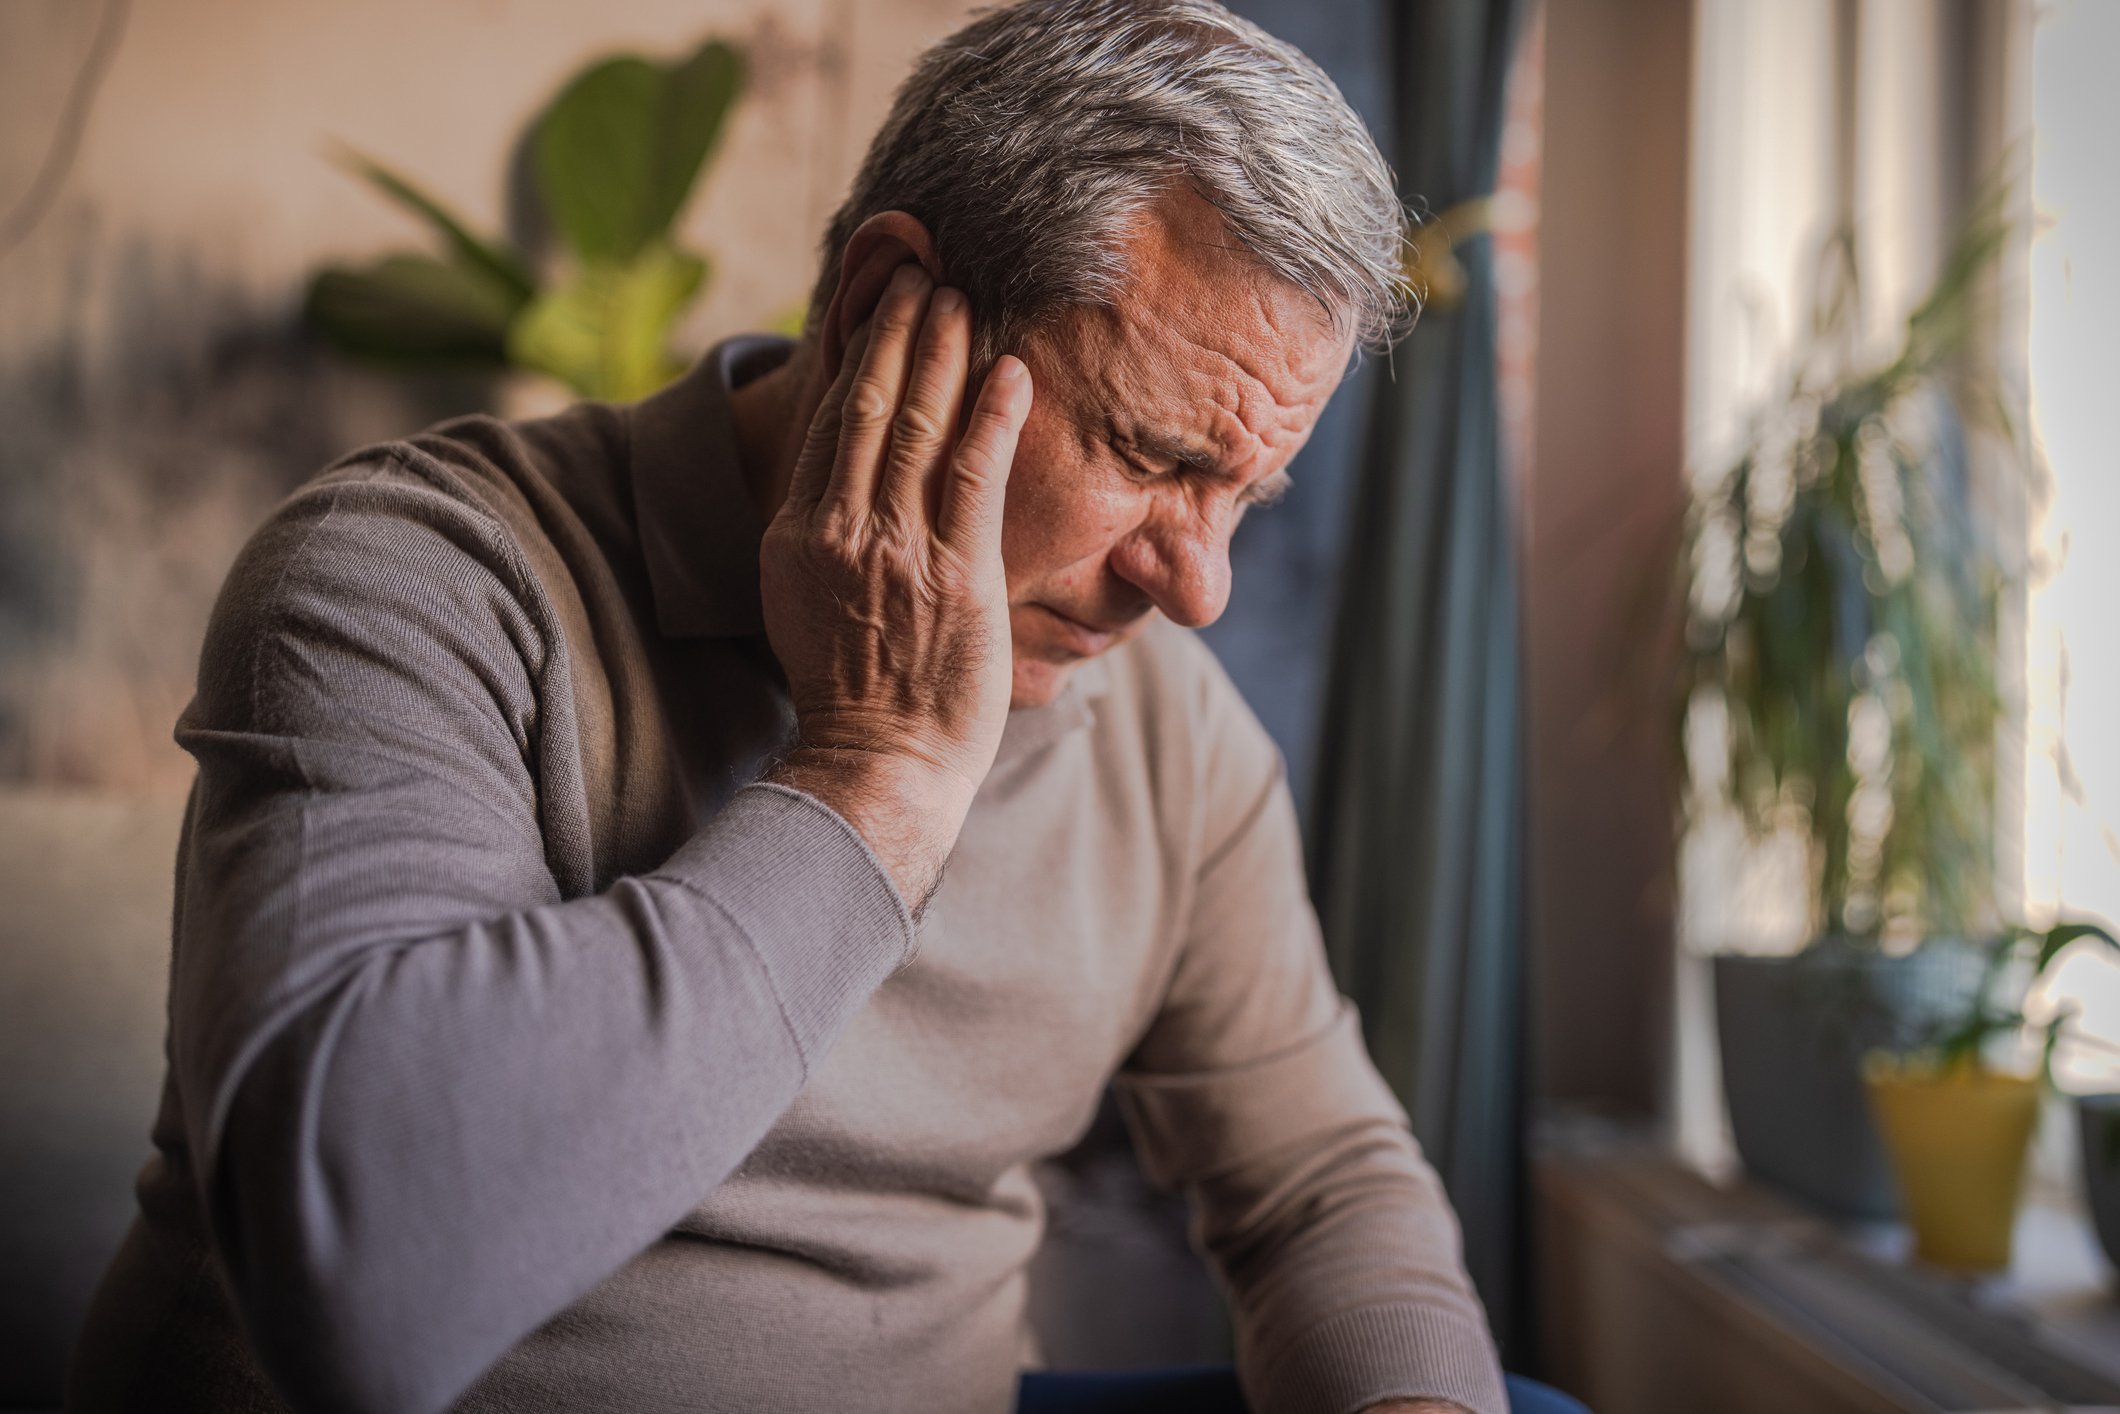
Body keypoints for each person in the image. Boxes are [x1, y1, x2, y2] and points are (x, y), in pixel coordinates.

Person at [69, 3, 1584, 1412]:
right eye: (1150, 452)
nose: (1197, 588)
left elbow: (1320, 1177)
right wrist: (879, 777)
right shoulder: (415, 579)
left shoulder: (1168, 735)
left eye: (1246, 491)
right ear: (882, 308)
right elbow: (359, 1275)